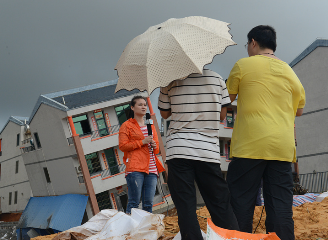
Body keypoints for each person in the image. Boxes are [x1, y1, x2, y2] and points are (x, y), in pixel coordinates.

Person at [226, 25, 305, 239]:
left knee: (241, 203)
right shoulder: (290, 72)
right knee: (280, 206)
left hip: (249, 146)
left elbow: (227, 99)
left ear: (253, 42)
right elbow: (299, 110)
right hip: (282, 148)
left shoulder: (243, 65)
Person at [158, 69, 239, 240]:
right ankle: (232, 238)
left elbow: (164, 113)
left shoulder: (169, 80)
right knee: (219, 202)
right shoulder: (216, 78)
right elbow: (222, 115)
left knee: (185, 206)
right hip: (206, 151)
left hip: (178, 150)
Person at [119, 96, 165, 214]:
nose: (143, 107)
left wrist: (155, 146)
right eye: (140, 104)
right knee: (134, 202)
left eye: (145, 104)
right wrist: (142, 142)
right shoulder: (126, 125)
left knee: (148, 203)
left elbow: (157, 150)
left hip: (151, 168)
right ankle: (129, 229)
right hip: (135, 167)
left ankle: (146, 230)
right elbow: (123, 146)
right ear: (132, 107)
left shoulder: (151, 125)